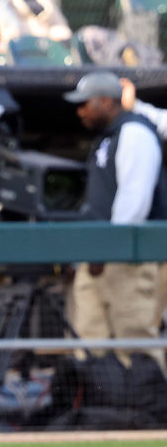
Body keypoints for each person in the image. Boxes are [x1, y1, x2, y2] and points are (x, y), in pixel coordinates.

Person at [64, 72, 167, 373]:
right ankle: (99, 412)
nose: (80, 111)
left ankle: (146, 415)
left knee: (132, 338)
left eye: (86, 104)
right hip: (100, 254)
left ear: (107, 102)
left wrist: (109, 250)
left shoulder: (134, 132)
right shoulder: (109, 137)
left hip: (126, 257)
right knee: (90, 339)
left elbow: (134, 201)